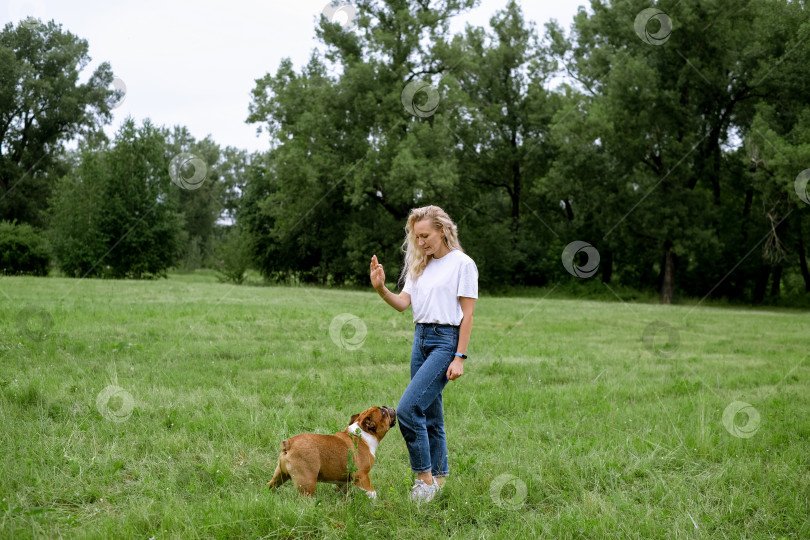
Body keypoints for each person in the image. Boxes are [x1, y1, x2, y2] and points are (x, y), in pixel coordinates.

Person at [369, 205, 478, 503]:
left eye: (425, 236)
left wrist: (460, 357)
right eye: (416, 237)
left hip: (446, 340)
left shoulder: (462, 264)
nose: (420, 243)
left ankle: (423, 479)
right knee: (430, 413)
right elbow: (404, 303)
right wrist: (380, 289)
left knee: (407, 409)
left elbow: (467, 315)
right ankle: (439, 481)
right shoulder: (420, 264)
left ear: (442, 230)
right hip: (421, 340)